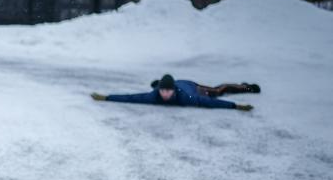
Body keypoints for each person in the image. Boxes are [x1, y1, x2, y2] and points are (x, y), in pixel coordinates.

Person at [91, 74, 257, 111]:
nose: (164, 94)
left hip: (191, 85)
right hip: (175, 82)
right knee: (154, 88)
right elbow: (130, 97)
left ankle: (246, 86)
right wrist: (105, 97)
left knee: (218, 91)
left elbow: (211, 103)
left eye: (167, 91)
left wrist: (236, 106)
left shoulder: (187, 97)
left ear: (173, 91)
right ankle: (158, 81)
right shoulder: (153, 96)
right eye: (162, 90)